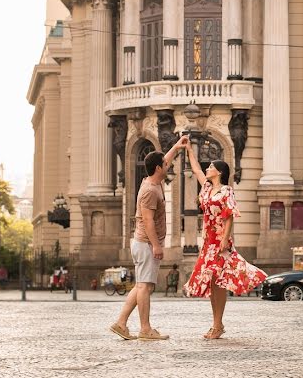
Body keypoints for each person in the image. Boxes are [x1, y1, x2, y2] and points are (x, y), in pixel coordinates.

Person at [110, 135, 187, 341]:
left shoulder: (152, 180)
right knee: (145, 287)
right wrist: (156, 246)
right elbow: (148, 221)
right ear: (158, 169)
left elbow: (165, 159)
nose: (167, 166)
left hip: (144, 243)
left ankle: (121, 323)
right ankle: (145, 329)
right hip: (145, 244)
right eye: (164, 165)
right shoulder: (150, 191)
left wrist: (177, 147)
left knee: (141, 285)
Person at [184, 149, 267, 340]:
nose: (208, 168)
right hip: (208, 241)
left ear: (219, 172)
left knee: (219, 280)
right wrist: (188, 149)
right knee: (214, 282)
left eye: (211, 166)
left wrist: (224, 239)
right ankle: (217, 324)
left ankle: (217, 324)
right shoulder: (206, 188)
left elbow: (229, 216)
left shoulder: (226, 190)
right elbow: (196, 169)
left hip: (220, 240)